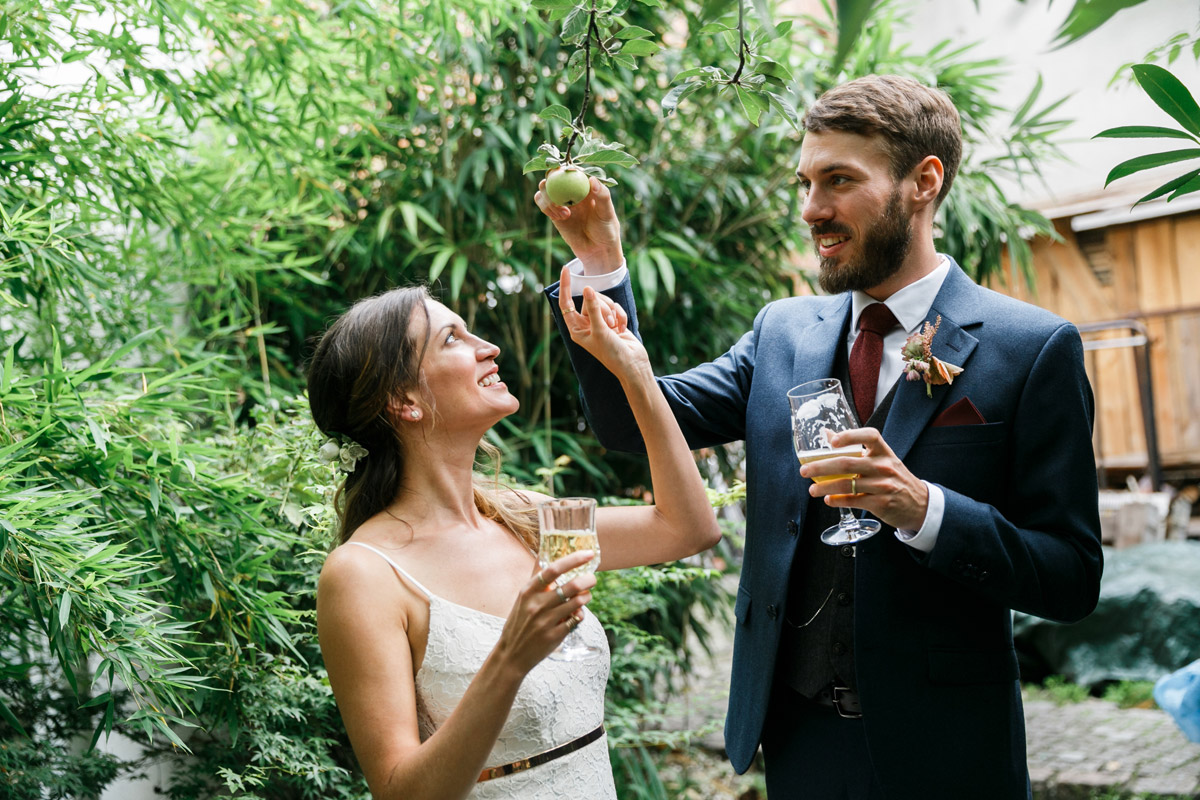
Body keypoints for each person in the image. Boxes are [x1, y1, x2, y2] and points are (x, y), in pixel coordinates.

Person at [536, 74, 1104, 799]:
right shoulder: (781, 331)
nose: (812, 210)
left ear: (923, 181)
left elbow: (1071, 575)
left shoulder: (1032, 349)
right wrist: (602, 265)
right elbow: (632, 421)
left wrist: (924, 509)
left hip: (948, 753)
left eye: (838, 181)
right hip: (800, 743)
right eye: (805, 183)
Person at [308, 285, 720, 799]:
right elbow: (399, 792)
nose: (489, 347)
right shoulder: (363, 574)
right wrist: (509, 657)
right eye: (452, 339)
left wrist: (633, 370)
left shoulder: (519, 516)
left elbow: (687, 528)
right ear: (402, 401)